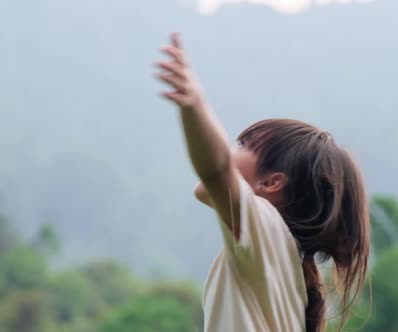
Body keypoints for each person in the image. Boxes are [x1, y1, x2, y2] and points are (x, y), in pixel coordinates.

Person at [155, 32, 370, 332]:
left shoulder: (267, 228)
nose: (231, 150)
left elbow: (216, 170)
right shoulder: (283, 260)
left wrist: (195, 105)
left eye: (242, 144)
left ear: (271, 183)